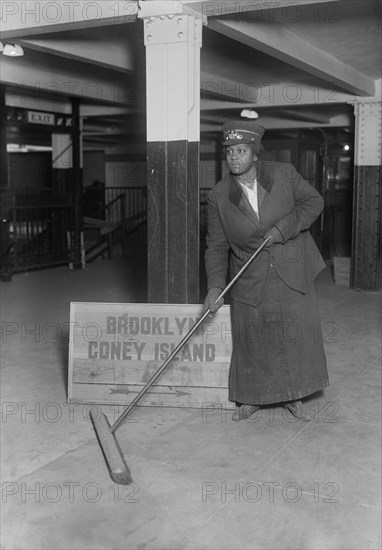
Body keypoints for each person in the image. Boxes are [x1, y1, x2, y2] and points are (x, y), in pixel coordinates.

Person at [203, 119, 329, 422]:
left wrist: (284, 228)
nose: (234, 157)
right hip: (250, 273)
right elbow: (217, 246)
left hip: (292, 265)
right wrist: (214, 288)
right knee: (255, 338)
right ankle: (253, 398)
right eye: (230, 151)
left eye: (242, 150)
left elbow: (314, 202)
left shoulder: (283, 174)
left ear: (255, 153)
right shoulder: (219, 196)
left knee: (294, 334)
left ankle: (294, 395)